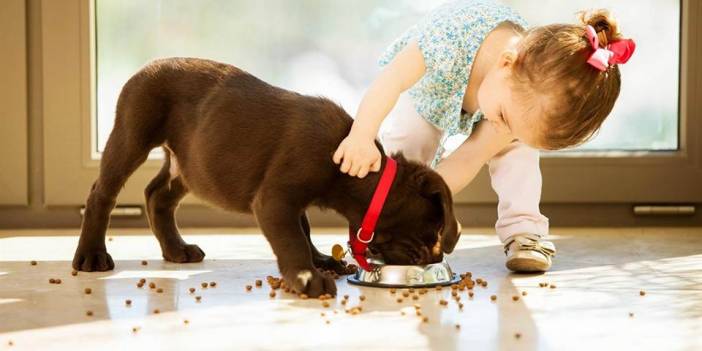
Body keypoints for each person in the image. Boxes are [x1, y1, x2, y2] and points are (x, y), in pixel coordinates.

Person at [332, 0, 635, 272]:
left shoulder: (518, 99)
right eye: (505, 119)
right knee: (408, 142)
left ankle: (524, 231)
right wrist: (362, 133)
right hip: (430, 90)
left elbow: (470, 156)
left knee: (518, 153)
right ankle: (388, 227)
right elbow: (392, 79)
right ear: (505, 63)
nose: (503, 130)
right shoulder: (447, 41)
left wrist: (435, 208)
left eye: (515, 127)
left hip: (499, 96)